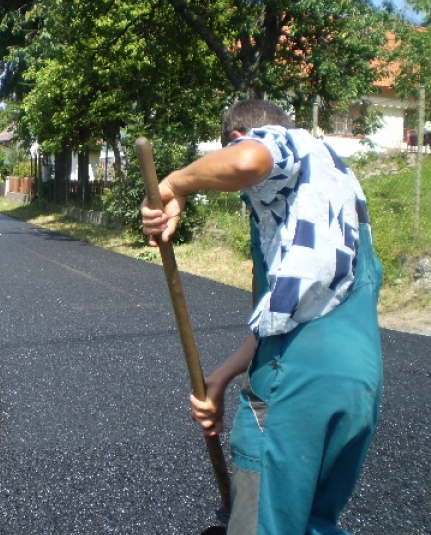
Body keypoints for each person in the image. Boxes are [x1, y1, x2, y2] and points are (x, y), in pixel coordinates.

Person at [141, 99, 383, 535]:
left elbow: (249, 158)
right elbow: (290, 311)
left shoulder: (284, 145)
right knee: (312, 522)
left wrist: (173, 185)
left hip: (295, 381)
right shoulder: (334, 191)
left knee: (265, 522)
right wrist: (222, 376)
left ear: (235, 138)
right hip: (354, 382)